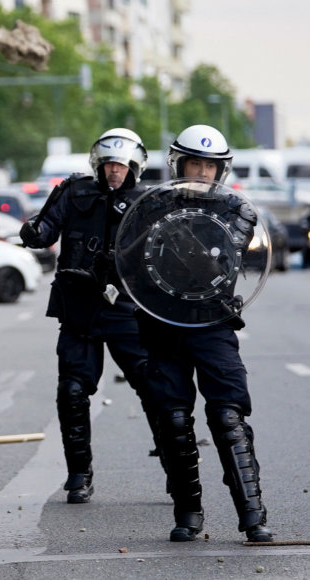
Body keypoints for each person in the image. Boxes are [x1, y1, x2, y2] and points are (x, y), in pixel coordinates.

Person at [134, 125, 273, 543]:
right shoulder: (150, 206)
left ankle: (253, 516)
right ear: (179, 163)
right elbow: (129, 259)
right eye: (194, 163)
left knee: (228, 416)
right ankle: (188, 514)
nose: (200, 173)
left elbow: (220, 261)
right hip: (163, 324)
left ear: (219, 170)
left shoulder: (237, 211)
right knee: (173, 419)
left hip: (212, 323)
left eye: (209, 166)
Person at [20, 128, 165, 504]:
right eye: (108, 164)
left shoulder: (148, 202)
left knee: (156, 389)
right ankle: (79, 474)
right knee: (71, 391)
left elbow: (168, 255)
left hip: (129, 310)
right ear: (97, 165)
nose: (114, 171)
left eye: (121, 165)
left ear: (134, 167)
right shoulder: (74, 191)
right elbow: (45, 230)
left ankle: (174, 466)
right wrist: (34, 231)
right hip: (80, 307)